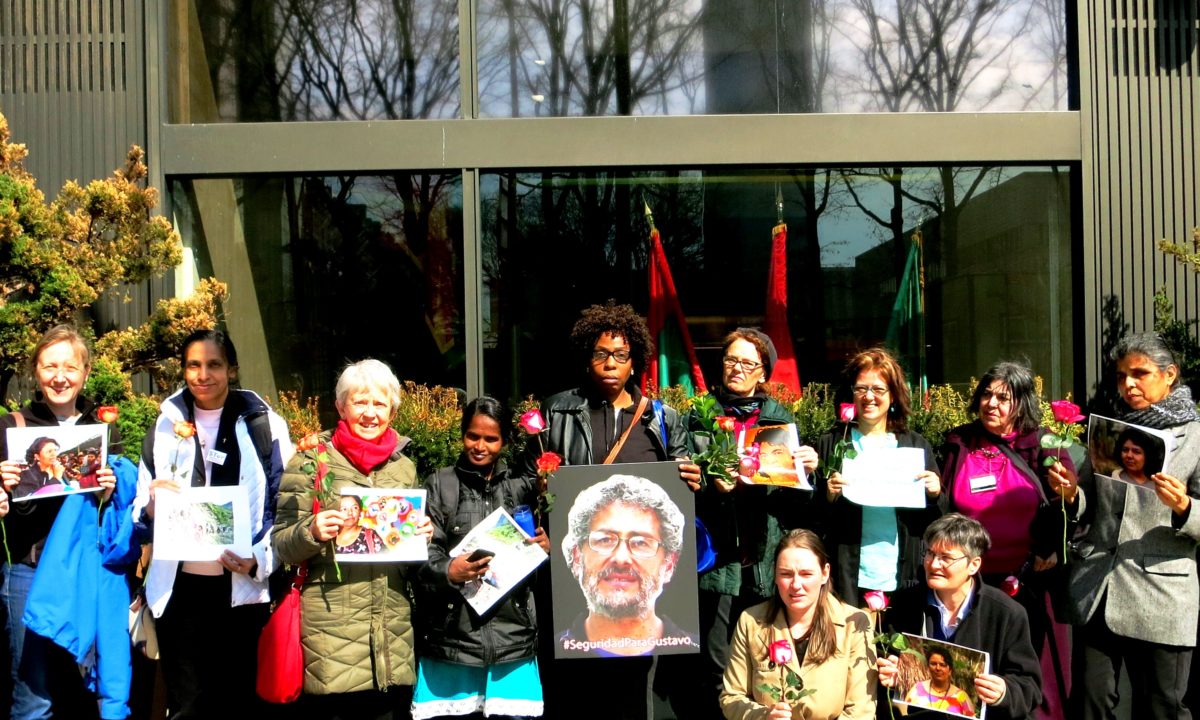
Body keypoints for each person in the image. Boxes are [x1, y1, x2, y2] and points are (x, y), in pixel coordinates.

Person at [517, 301, 698, 720]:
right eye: (600, 353)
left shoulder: (663, 419)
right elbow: (525, 481)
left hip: (635, 585)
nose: (610, 363)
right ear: (587, 358)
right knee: (571, 692)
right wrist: (538, 512)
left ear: (635, 361)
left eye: (620, 355)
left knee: (633, 689)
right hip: (569, 582)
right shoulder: (555, 412)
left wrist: (694, 481)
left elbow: (684, 487)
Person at [132, 329, 294, 719]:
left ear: (233, 370)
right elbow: (139, 509)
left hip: (241, 589)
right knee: (186, 704)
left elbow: (284, 505)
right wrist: (152, 504)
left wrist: (259, 560)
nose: (203, 375)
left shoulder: (264, 425)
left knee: (239, 701)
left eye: (214, 365)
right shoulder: (165, 426)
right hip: (179, 590)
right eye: (193, 365)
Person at [1048, 332, 1200, 720]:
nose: (1128, 384)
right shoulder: (1108, 429)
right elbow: (1090, 500)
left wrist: (1183, 506)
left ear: (1170, 375)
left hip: (1161, 595)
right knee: (1090, 700)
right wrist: (1071, 496)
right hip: (1098, 586)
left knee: (1161, 707)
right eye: (1120, 376)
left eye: (1139, 373)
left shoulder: (1196, 438)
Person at [273, 358, 432, 719]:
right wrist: (312, 531)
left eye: (379, 403)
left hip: (392, 637)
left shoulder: (403, 467)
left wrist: (422, 535)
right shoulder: (312, 460)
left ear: (392, 409)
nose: (370, 413)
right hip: (331, 635)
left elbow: (408, 560)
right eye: (360, 402)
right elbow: (281, 543)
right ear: (342, 406)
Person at [686, 328, 819, 719]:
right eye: (731, 360)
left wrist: (806, 473)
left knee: (766, 662)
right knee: (716, 661)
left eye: (748, 363)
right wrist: (712, 487)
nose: (737, 369)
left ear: (763, 372)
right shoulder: (699, 415)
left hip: (765, 557)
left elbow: (797, 503)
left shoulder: (780, 420)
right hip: (716, 558)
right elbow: (681, 486)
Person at [0, 324, 126, 719]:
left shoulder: (104, 431)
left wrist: (110, 490)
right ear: (35, 372)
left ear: (85, 372)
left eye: (70, 367)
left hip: (87, 575)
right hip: (30, 572)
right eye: (49, 366)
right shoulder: (11, 427)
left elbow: (118, 513)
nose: (60, 377)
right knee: (32, 697)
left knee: (85, 691)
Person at [939, 361, 1077, 719]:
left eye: (1004, 397)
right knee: (975, 679)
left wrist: (1053, 542)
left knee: (1035, 681)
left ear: (1022, 403)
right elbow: (943, 507)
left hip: (1031, 581)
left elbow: (1068, 506)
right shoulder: (959, 443)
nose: (992, 403)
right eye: (987, 394)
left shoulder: (1044, 445)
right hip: (972, 585)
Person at [413, 396, 550, 720]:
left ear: (505, 441)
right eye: (473, 436)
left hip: (513, 640)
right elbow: (420, 552)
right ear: (462, 434)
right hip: (453, 640)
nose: (480, 446)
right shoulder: (440, 483)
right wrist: (449, 570)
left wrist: (545, 546)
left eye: (491, 439)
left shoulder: (523, 486)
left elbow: (550, 549)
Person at [877, 513, 1042, 720]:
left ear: (973, 565)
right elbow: (886, 662)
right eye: (929, 553)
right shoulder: (905, 604)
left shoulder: (1006, 613)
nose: (934, 564)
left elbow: (1030, 687)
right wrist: (889, 670)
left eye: (946, 558)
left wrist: (1003, 693)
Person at [815, 348, 941, 606]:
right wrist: (827, 495)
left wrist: (936, 493)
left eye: (878, 389)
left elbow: (937, 521)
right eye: (861, 388)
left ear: (893, 396)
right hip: (846, 574)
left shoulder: (916, 446)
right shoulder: (831, 444)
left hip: (902, 575)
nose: (869, 397)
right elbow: (812, 518)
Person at [720, 529, 877, 720]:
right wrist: (762, 716)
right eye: (786, 574)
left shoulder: (855, 623)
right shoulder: (751, 621)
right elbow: (732, 697)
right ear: (775, 576)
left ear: (825, 573)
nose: (796, 584)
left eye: (806, 574)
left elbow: (861, 711)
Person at [556, 473, 697, 657]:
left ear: (669, 565)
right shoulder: (550, 657)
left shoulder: (694, 654)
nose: (621, 559)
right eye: (605, 540)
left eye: (640, 542)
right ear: (576, 557)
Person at [903, 647, 975, 716]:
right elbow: (903, 713)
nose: (937, 668)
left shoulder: (961, 696)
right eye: (933, 664)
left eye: (942, 665)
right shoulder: (917, 689)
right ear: (928, 667)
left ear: (950, 670)